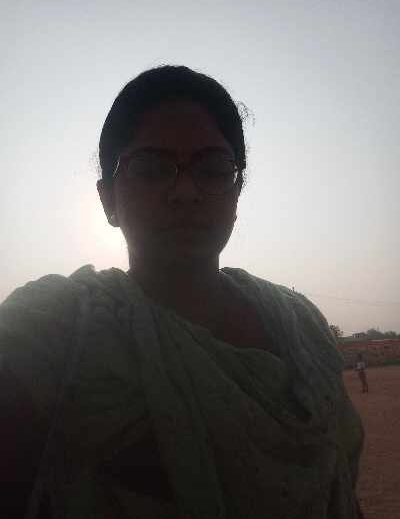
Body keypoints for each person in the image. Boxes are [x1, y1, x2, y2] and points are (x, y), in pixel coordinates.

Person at [0, 65, 365, 518]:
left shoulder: (301, 325)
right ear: (108, 199)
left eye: (213, 170)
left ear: (237, 193)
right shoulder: (60, 325)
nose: (186, 192)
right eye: (152, 169)